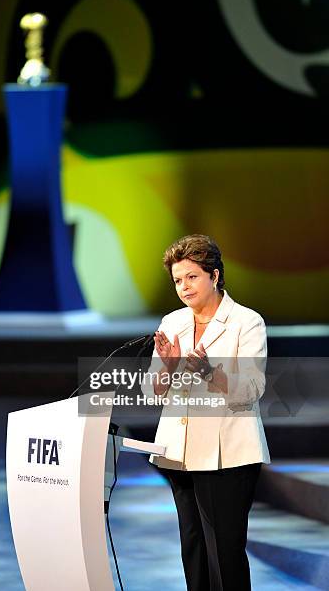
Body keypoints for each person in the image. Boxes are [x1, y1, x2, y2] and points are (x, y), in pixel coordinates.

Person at [141, 234, 270, 591]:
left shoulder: (247, 322)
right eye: (178, 280)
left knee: (225, 554)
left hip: (227, 455)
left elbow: (252, 389)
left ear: (214, 275)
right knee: (193, 549)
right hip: (178, 454)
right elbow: (153, 393)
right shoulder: (172, 322)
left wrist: (211, 373)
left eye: (192, 277)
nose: (184, 287)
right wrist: (166, 367)